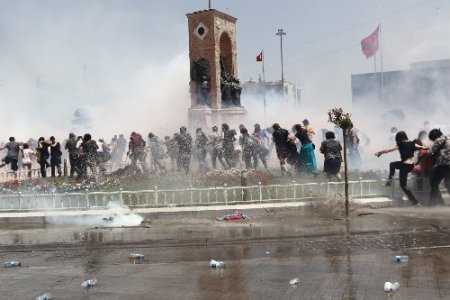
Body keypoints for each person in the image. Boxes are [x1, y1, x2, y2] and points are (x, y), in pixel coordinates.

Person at [375, 131, 427, 206]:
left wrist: (380, 152)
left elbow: (389, 149)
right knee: (403, 185)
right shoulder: (411, 143)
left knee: (392, 164)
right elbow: (421, 147)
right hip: (410, 165)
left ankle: (389, 181)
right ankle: (415, 202)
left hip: (405, 165)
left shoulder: (400, 143)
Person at [427, 128, 450, 206]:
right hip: (447, 163)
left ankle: (432, 204)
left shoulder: (438, 140)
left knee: (434, 183)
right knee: (447, 182)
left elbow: (431, 152)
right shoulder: (448, 137)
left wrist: (425, 150)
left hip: (444, 164)